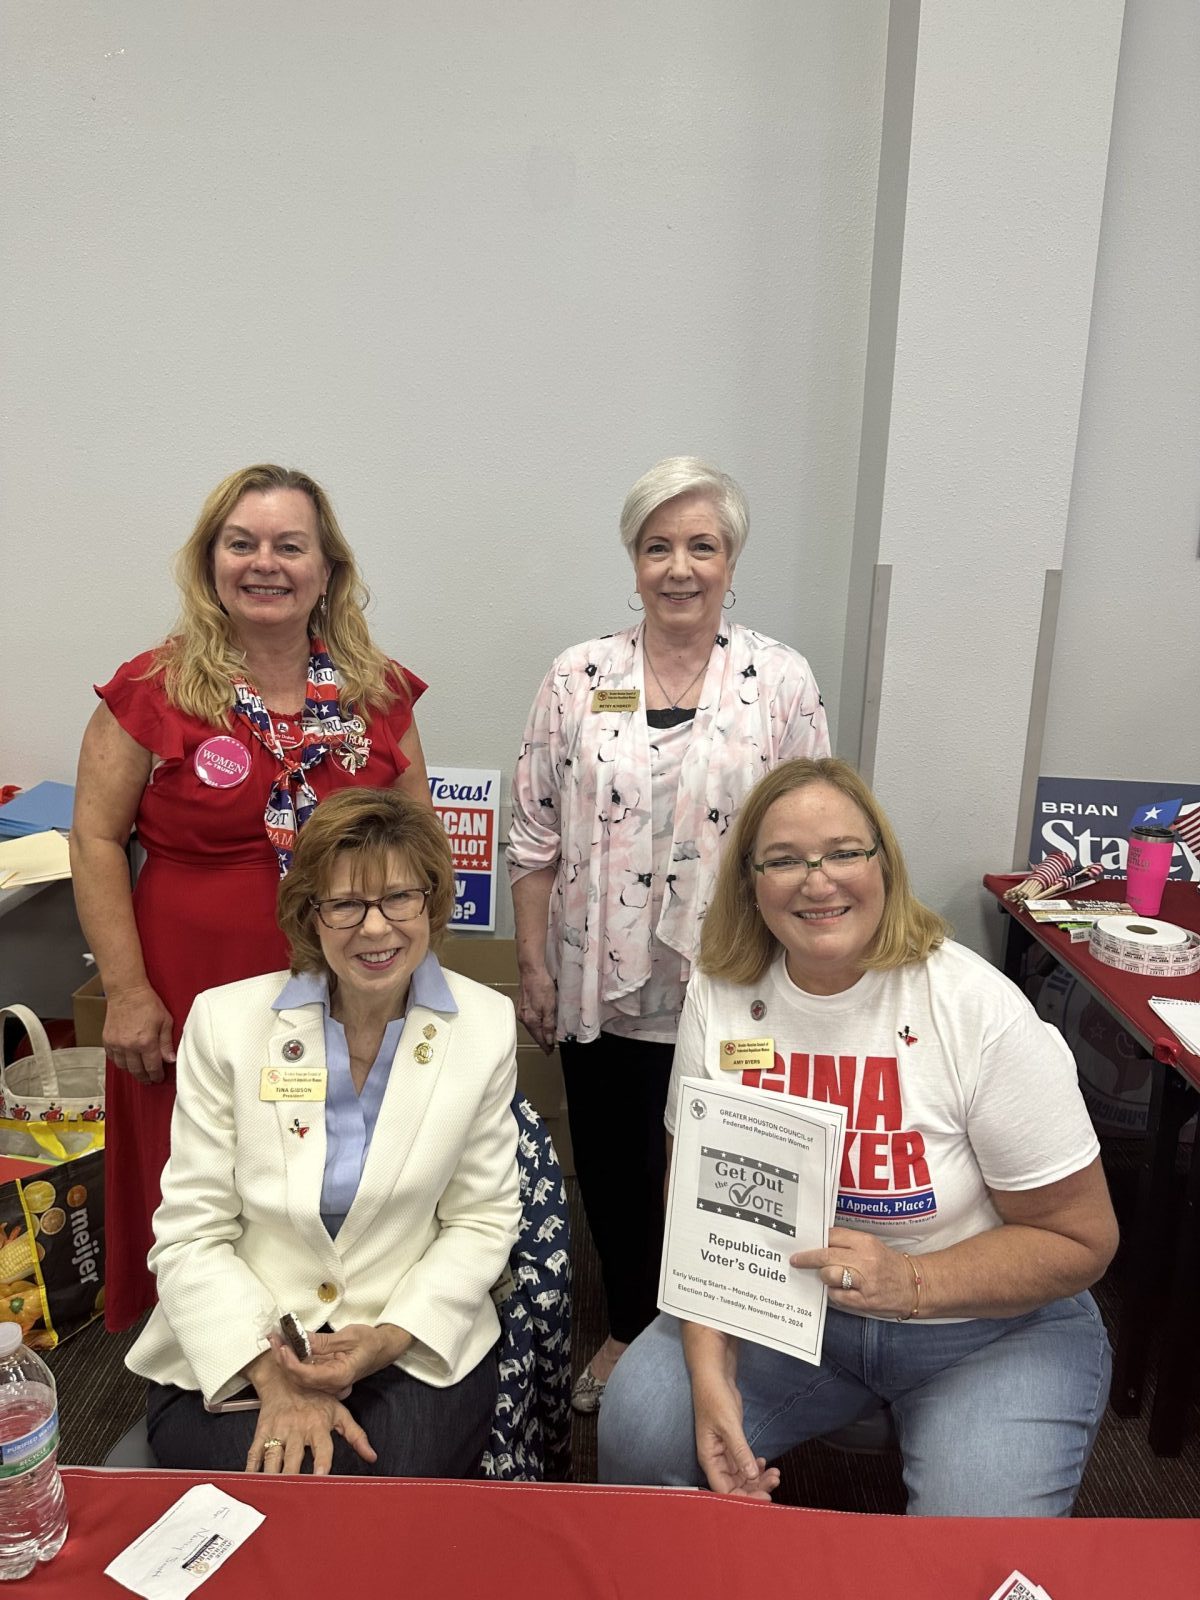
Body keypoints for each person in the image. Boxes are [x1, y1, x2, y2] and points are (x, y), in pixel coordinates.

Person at [599, 758, 1118, 1516]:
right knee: (641, 1434)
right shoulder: (721, 992)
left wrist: (912, 1283)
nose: (818, 882)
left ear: (883, 864)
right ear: (751, 882)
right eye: (784, 860)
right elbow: (701, 1219)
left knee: (972, 1548)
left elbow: (1081, 1240)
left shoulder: (975, 1006)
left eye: (844, 852)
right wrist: (710, 1380)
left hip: (988, 1328)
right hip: (786, 1312)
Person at [71, 464, 430, 1330]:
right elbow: (93, 840)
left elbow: (418, 843)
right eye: (242, 543)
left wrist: (415, 980)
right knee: (196, 1177)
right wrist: (126, 990)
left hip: (345, 980)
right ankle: (196, 1345)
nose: (265, 563)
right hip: (187, 983)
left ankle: (325, 1334)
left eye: (289, 546)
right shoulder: (152, 691)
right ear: (211, 561)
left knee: (326, 1164)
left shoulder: (376, 693)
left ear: (326, 569)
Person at [507, 458, 829, 1412]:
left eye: (702, 546)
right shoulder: (578, 677)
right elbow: (532, 836)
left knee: (725, 1161)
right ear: (633, 560)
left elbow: (812, 832)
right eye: (658, 547)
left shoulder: (780, 679)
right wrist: (532, 965)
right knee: (615, 1163)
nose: (679, 567)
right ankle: (627, 1326)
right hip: (595, 977)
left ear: (732, 561)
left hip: (735, 979)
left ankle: (722, 1332)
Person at [125, 787, 521, 1477]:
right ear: (310, 913)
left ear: (431, 902)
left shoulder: (484, 1026)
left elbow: (481, 1221)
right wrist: (273, 1376)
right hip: (245, 1339)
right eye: (345, 904)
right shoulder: (224, 1024)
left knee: (388, 1490)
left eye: (399, 898)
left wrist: (388, 1338)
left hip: (405, 1336)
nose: (375, 928)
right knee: (271, 1488)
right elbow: (190, 1233)